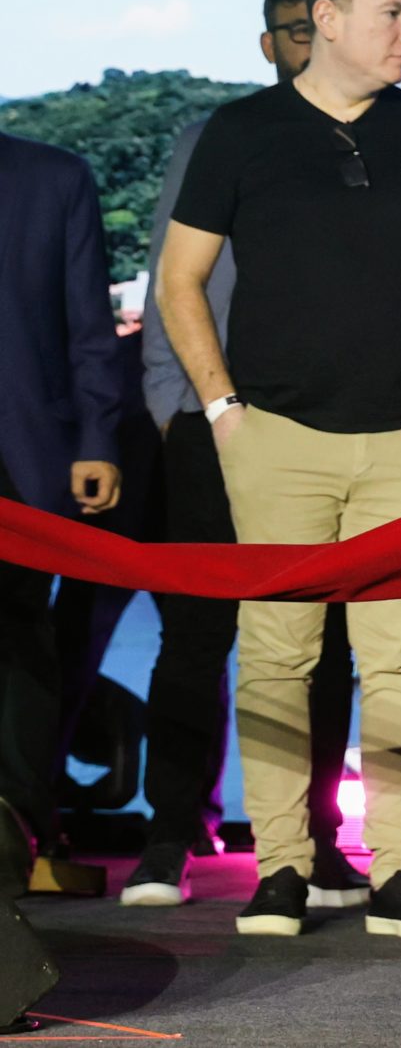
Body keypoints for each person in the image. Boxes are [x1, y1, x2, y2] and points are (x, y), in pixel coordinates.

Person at [154, 0, 401, 944]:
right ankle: (281, 868)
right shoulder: (241, 132)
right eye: (395, 11)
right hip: (277, 436)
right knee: (275, 658)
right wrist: (224, 412)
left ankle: (397, 871)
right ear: (328, 18)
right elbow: (178, 280)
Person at [127, 0, 362, 910]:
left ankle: (316, 839)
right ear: (270, 43)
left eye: (323, 26)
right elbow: (168, 280)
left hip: (333, 429)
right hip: (211, 422)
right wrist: (174, 407)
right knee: (194, 636)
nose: (311, 42)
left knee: (325, 641)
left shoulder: (373, 142)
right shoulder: (214, 137)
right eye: (295, 29)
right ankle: (169, 831)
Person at [0, 129, 124, 895]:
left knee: (20, 638)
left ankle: (17, 827)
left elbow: (89, 324)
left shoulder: (55, 176)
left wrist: (98, 438)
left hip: (26, 454)